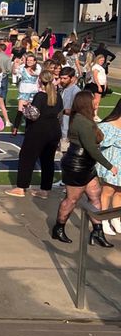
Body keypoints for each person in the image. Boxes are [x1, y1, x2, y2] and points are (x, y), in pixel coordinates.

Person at [52, 91, 116, 246]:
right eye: (93, 100)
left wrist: (65, 111)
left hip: (86, 164)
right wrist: (109, 166)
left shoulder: (83, 117)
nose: (96, 102)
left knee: (95, 196)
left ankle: (97, 231)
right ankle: (58, 228)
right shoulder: (83, 122)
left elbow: (69, 111)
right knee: (72, 199)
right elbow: (91, 149)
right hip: (77, 164)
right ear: (86, 103)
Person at [5, 70, 62, 199]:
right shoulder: (57, 96)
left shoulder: (40, 96)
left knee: (27, 158)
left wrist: (25, 107)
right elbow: (59, 112)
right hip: (54, 130)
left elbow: (34, 115)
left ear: (40, 81)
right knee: (48, 160)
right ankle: (45, 189)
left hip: (38, 131)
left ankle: (21, 187)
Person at [98, 98, 121, 236]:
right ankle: (104, 220)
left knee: (119, 192)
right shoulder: (107, 125)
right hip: (112, 166)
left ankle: (116, 218)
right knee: (108, 191)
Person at [59, 66, 81, 152]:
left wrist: (63, 111)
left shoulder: (76, 91)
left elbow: (77, 111)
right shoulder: (63, 89)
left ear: (72, 78)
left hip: (68, 130)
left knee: (65, 155)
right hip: (60, 126)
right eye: (61, 78)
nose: (62, 80)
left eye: (65, 78)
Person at [91, 54, 107, 120]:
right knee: (96, 101)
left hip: (101, 85)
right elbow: (95, 77)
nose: (102, 61)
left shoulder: (100, 67)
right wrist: (99, 86)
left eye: (103, 60)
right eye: (101, 60)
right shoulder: (96, 67)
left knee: (97, 101)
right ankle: (94, 114)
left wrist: (105, 85)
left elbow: (104, 77)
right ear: (98, 59)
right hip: (98, 85)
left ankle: (94, 114)